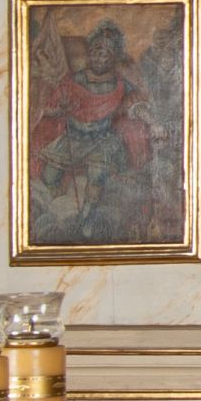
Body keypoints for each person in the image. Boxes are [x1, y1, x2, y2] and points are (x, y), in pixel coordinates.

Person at [27, 15, 158, 247]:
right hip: (74, 136)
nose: (99, 57)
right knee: (49, 176)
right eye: (96, 51)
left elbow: (137, 106)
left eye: (105, 53)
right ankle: (55, 214)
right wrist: (60, 108)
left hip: (103, 139)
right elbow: (50, 107)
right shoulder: (73, 80)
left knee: (97, 174)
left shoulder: (120, 85)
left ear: (113, 58)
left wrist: (153, 123)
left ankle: (86, 220)